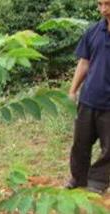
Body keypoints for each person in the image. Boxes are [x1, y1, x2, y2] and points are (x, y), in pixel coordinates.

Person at [66, 0, 110, 194]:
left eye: (107, 4)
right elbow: (84, 63)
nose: (103, 9)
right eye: (99, 4)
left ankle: (98, 182)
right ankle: (78, 177)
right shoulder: (93, 31)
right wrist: (73, 90)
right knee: (80, 143)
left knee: (109, 148)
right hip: (89, 98)